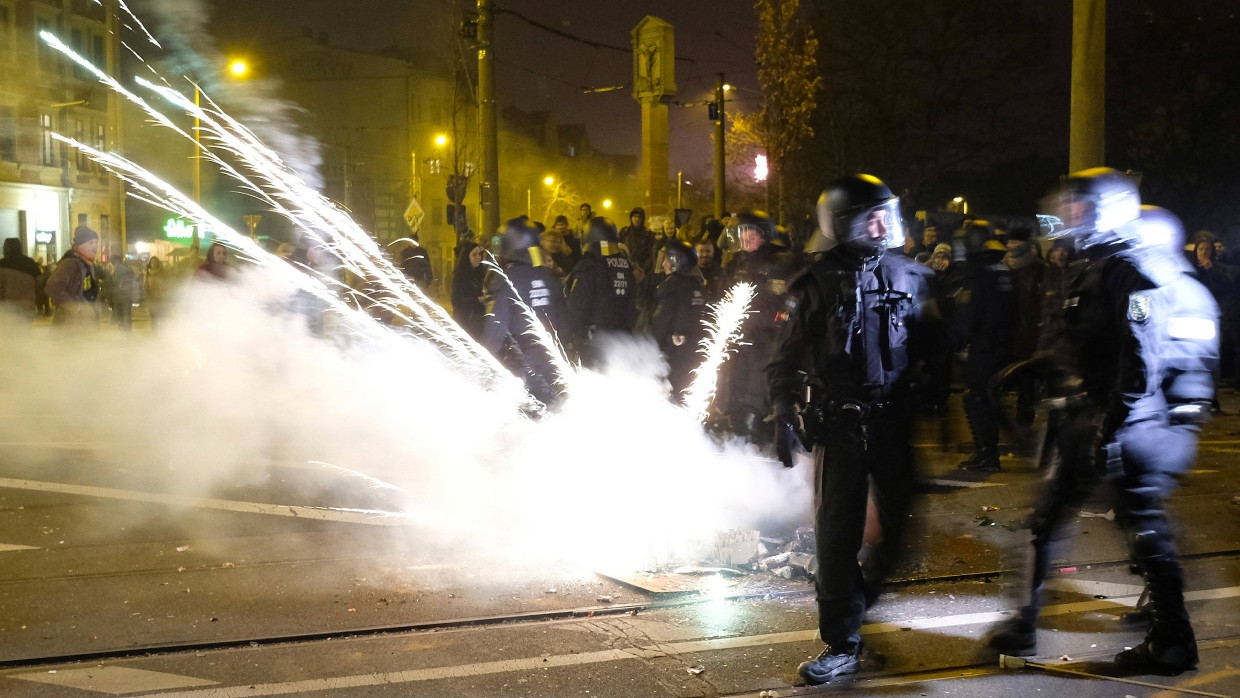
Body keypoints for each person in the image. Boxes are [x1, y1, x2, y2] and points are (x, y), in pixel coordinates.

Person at [986, 169, 1218, 676]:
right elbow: (1086, 346)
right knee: (1049, 521)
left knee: (1144, 530)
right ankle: (1024, 623)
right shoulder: (1098, 267)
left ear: (1107, 212)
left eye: (1079, 209)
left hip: (1123, 421)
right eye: (1067, 207)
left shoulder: (1130, 271)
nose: (1068, 218)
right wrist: (1038, 367)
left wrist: (1110, 428)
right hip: (1093, 418)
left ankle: (1172, 641)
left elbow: (1138, 363)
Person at [767, 174, 934, 686]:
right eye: (870, 217)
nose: (883, 226)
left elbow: (934, 348)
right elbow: (785, 361)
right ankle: (843, 640)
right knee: (836, 538)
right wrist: (783, 410)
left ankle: (862, 606)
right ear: (841, 225)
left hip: (894, 423)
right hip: (840, 425)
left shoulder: (911, 275)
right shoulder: (813, 285)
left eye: (888, 214)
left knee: (901, 529)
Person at [723, 211, 801, 443]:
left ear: (764, 235)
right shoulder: (740, 262)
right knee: (737, 379)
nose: (744, 237)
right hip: (742, 335)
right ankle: (740, 423)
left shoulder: (782, 261)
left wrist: (779, 320)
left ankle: (753, 426)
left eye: (749, 231)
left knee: (759, 382)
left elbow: (791, 298)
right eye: (741, 232)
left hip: (768, 338)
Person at [951, 220, 1018, 472]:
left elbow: (966, 314)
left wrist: (954, 341)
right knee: (984, 399)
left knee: (978, 399)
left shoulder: (977, 274)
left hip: (984, 346)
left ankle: (988, 453)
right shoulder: (999, 269)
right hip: (1000, 344)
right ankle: (987, 450)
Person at [481, 218, 569, 405]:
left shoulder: (509, 280)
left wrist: (482, 368)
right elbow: (565, 325)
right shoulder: (550, 277)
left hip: (523, 370)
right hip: (553, 366)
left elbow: (494, 333)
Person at [565, 216, 638, 364]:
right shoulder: (625, 265)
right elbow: (633, 301)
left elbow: (577, 307)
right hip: (622, 338)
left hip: (594, 342)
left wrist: (567, 334)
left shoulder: (589, 266)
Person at [651, 239, 707, 400]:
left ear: (676, 261)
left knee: (668, 394)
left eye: (667, 259)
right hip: (691, 353)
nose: (663, 264)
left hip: (672, 353)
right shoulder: (696, 285)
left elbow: (661, 323)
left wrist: (652, 347)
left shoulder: (673, 288)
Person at [45, 225, 102, 326]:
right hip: (69, 324)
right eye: (91, 243)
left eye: (96, 242)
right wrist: (73, 306)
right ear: (80, 246)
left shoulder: (88, 265)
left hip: (84, 324)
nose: (95, 246)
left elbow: (88, 291)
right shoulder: (70, 263)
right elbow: (52, 287)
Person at [450, 243, 486, 338]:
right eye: (474, 254)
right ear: (467, 257)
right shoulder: (460, 277)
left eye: (480, 254)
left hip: (478, 324)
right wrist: (478, 299)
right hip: (465, 324)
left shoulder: (480, 274)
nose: (478, 257)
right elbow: (456, 300)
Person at [0, 238, 40, 320]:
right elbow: (39, 281)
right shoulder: (30, 262)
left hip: (6, 305)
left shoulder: (2, 263)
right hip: (27, 304)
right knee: (25, 330)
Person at [619, 207, 655, 277]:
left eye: (639, 217)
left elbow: (652, 255)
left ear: (643, 219)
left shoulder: (649, 234)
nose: (637, 219)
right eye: (634, 216)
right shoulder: (624, 232)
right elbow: (620, 250)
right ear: (631, 218)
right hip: (627, 270)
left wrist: (642, 269)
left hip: (643, 273)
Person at [696, 239, 725, 303]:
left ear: (713, 252)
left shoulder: (721, 272)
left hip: (716, 310)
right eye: (701, 251)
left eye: (708, 251)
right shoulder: (688, 274)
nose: (705, 255)